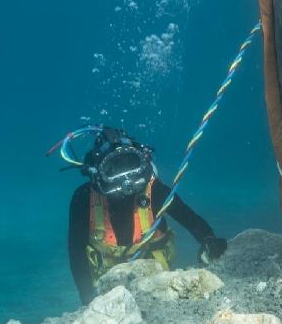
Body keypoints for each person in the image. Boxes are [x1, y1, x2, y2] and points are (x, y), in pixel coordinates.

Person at [64, 127, 228, 304]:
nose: (126, 180)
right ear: (97, 173)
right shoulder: (84, 199)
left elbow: (187, 217)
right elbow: (76, 251)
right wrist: (87, 297)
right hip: (107, 291)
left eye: (131, 165)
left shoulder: (153, 190)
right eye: (113, 169)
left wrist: (208, 239)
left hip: (156, 282)